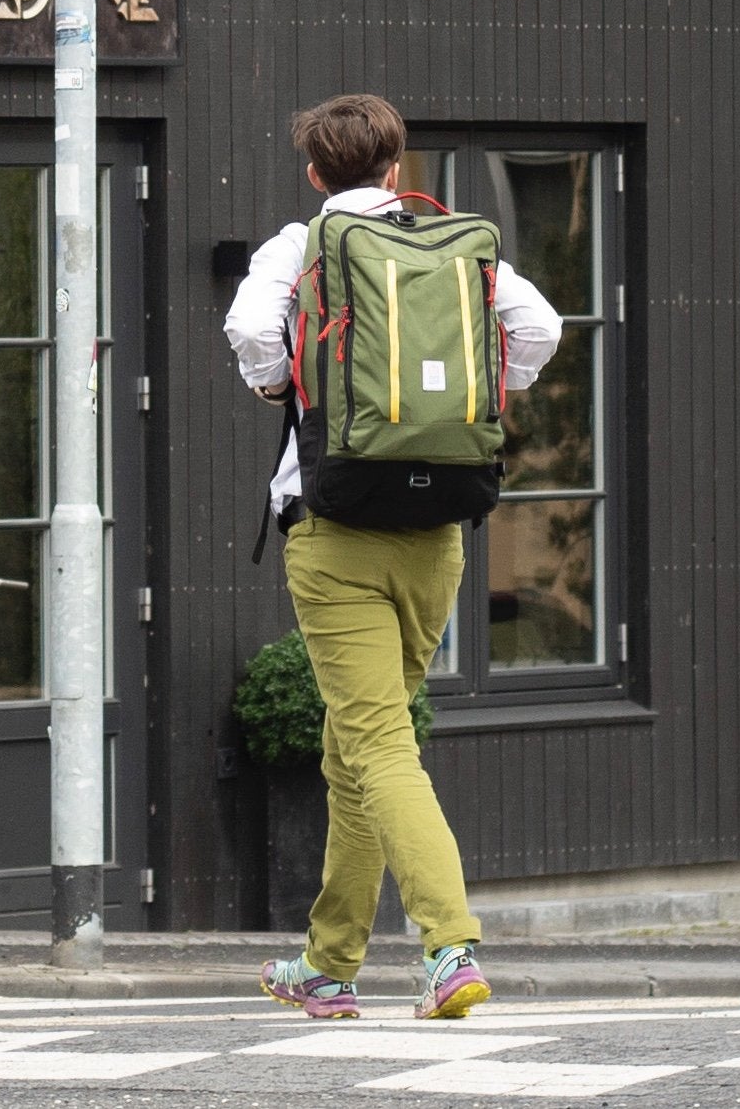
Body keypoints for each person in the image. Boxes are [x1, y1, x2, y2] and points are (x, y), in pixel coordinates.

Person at [224, 93, 562, 1022]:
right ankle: (329, 966)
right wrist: (478, 404)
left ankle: (449, 946)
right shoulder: (456, 242)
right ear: (396, 165)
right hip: (439, 534)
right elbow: (538, 331)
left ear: (314, 175)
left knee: (376, 743)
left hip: (335, 532)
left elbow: (253, 337)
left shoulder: (298, 248)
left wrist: (281, 386)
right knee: (353, 751)